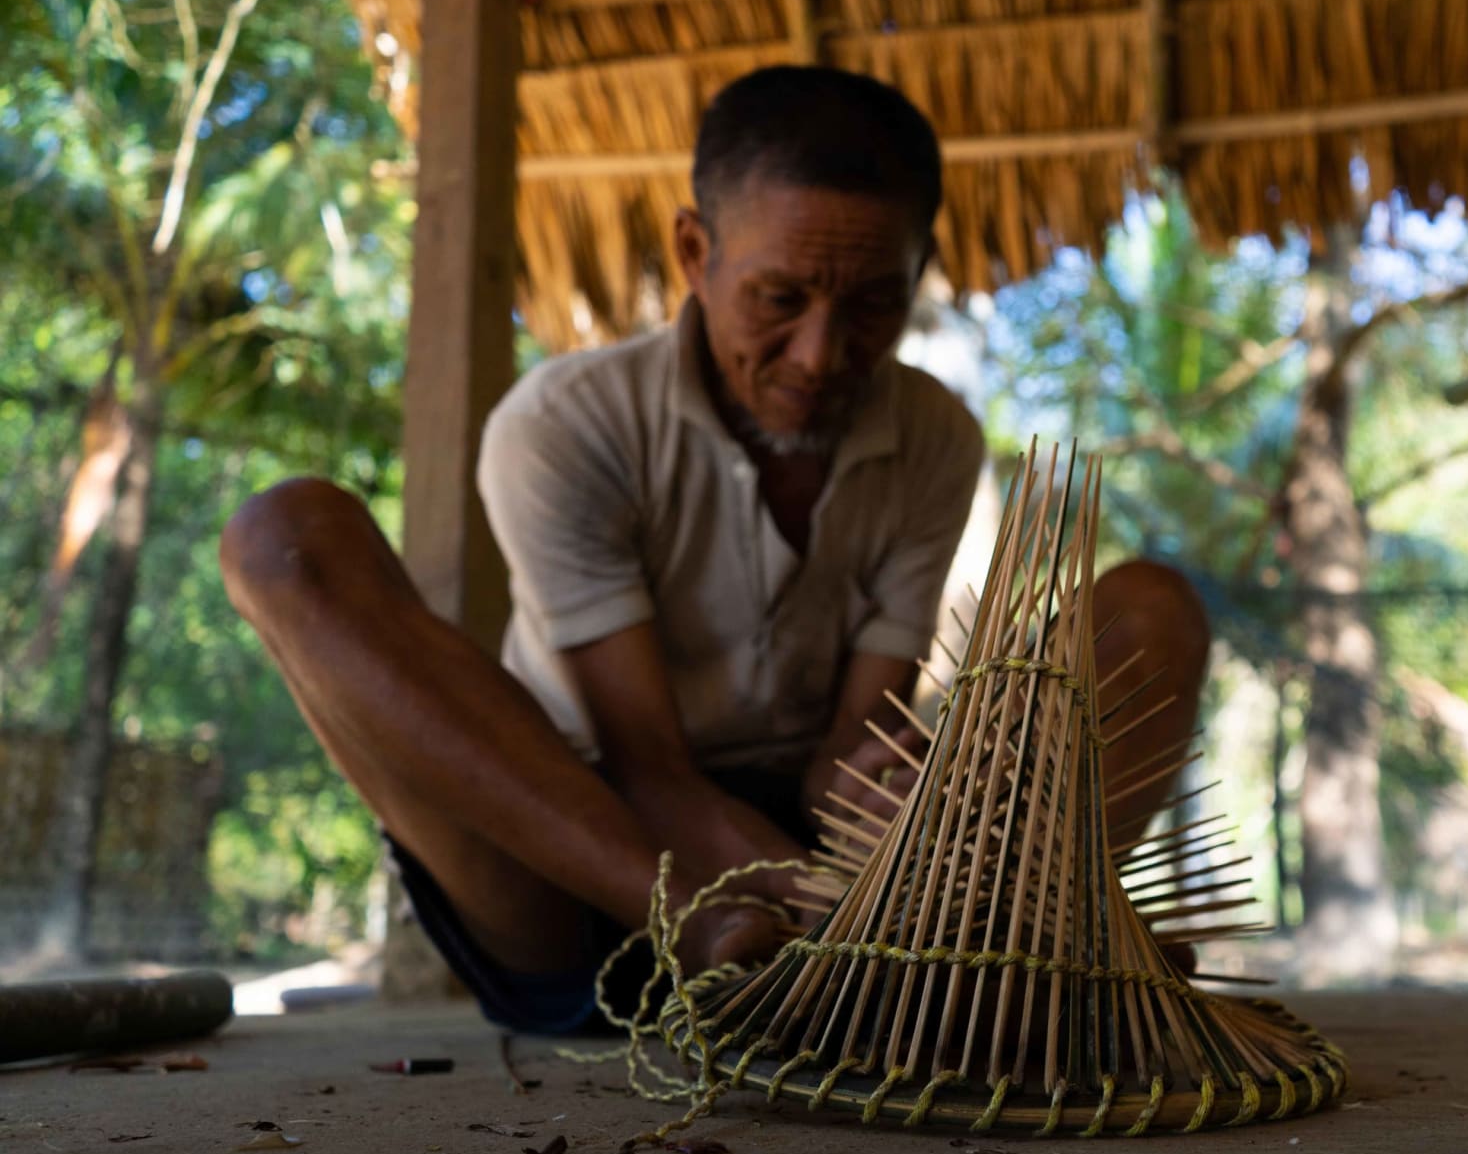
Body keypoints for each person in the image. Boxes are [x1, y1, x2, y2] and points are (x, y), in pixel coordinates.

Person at [220, 66, 1210, 1035]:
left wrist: (903, 804)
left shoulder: (933, 436)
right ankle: (802, 947)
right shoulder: (567, 424)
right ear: (696, 251)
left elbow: (842, 758)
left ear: (917, 271)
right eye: (780, 297)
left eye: (873, 303)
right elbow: (648, 769)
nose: (822, 355)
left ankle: (994, 935)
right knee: (284, 539)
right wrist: (809, 901)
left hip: (819, 854)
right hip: (578, 852)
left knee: (1151, 609)